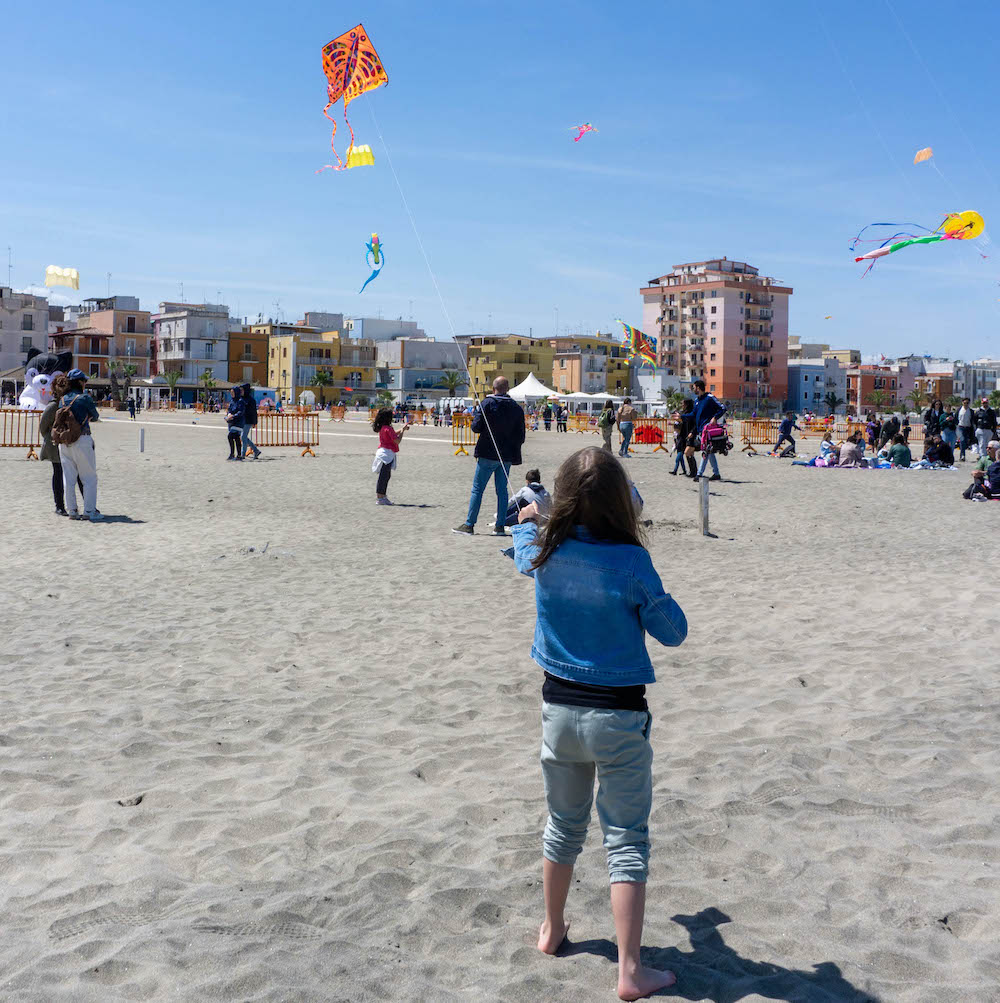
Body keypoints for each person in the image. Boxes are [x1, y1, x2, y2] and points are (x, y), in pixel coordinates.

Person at [510, 447, 687, 1002]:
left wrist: (529, 520)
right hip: (618, 714)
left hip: (559, 713)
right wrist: (650, 591)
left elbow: (522, 550)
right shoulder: (631, 563)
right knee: (626, 839)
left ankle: (552, 928)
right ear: (619, 505)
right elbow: (673, 630)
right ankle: (630, 970)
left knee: (563, 825)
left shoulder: (545, 548)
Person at [453, 376, 526, 537]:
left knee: (478, 490)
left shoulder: (487, 403)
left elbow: (476, 427)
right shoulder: (516, 407)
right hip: (506, 456)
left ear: (494, 389)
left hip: (487, 454)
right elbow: (521, 436)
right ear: (507, 389)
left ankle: (469, 524)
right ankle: (499, 526)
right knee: (502, 491)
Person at [55, 369, 102, 521]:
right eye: (84, 381)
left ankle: (72, 511)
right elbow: (95, 416)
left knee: (68, 478)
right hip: (82, 439)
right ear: (80, 382)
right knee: (89, 478)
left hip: (64, 441)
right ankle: (89, 511)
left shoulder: (62, 399)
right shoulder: (84, 398)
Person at [39, 373, 73, 515]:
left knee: (58, 474)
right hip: (64, 443)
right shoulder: (61, 405)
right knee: (65, 474)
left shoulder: (54, 405)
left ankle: (60, 506)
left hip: (57, 443)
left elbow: (42, 426)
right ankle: (63, 506)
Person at [372, 407, 409, 504]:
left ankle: (382, 496)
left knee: (385, 476)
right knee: (384, 476)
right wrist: (402, 432)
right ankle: (381, 497)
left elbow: (392, 434)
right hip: (386, 455)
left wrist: (402, 429)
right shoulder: (388, 428)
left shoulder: (383, 428)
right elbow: (397, 440)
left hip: (383, 453)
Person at [690, 380, 726, 480]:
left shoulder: (709, 398)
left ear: (698, 387)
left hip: (708, 430)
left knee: (706, 451)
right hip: (701, 430)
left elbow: (722, 408)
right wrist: (682, 416)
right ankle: (716, 473)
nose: (693, 389)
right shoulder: (697, 400)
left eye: (694, 387)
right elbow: (693, 414)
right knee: (709, 452)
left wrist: (715, 417)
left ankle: (699, 474)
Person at [669, 400, 695, 476]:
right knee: (686, 455)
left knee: (684, 454)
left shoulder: (689, 414)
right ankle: (689, 471)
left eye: (683, 404)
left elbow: (686, 423)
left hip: (685, 436)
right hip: (682, 436)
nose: (682, 405)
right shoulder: (685, 413)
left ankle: (692, 471)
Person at [241, 383, 262, 459]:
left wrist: (254, 422)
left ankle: (242, 454)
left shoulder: (251, 400)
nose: (241, 391)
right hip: (241, 420)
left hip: (248, 421)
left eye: (242, 390)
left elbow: (254, 412)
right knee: (243, 437)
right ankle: (256, 450)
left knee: (243, 437)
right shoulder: (241, 399)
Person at [226, 386, 246, 461]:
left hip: (238, 422)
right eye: (231, 392)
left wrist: (233, 416)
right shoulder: (232, 401)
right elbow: (229, 410)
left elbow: (241, 412)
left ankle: (233, 454)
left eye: (233, 392)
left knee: (230, 436)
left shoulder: (240, 401)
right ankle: (238, 455)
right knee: (236, 437)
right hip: (232, 422)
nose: (231, 394)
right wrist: (228, 415)